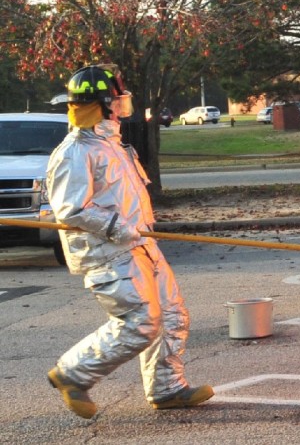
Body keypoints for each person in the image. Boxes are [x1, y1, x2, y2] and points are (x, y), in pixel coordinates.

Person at [44, 64, 212, 419]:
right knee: (140, 322)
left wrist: (137, 228)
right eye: (118, 102)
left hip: (139, 244)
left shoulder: (112, 144)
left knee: (170, 315)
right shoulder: (76, 151)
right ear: (103, 105)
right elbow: (71, 210)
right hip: (107, 252)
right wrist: (119, 228)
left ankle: (167, 388)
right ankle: (73, 373)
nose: (123, 109)